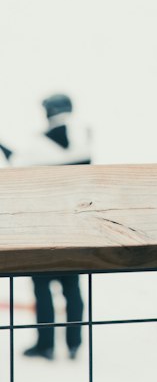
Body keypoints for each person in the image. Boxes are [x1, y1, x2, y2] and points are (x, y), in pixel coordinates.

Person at [17, 93, 90, 360]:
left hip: (44, 228)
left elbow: (19, 168)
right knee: (73, 289)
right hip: (75, 227)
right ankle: (74, 343)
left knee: (42, 288)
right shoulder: (84, 138)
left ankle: (45, 343)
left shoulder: (38, 144)